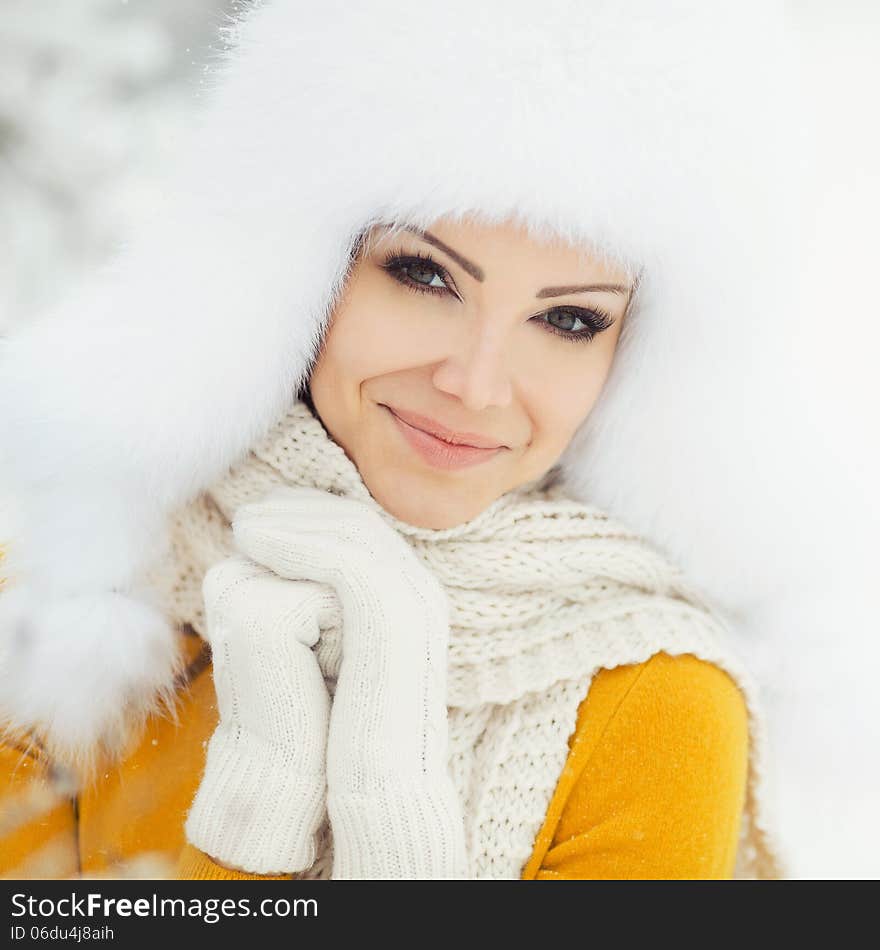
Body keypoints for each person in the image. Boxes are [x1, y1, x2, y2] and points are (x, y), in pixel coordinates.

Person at [0, 1, 796, 879]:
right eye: (423, 274)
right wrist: (260, 795)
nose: (478, 383)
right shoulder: (84, 600)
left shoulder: (659, 701)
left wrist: (389, 811)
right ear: (302, 272)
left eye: (568, 319)